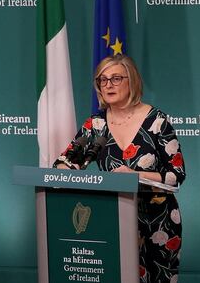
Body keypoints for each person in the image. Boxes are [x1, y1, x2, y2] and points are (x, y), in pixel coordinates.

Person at [54, 55, 186, 283]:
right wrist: (62, 169)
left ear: (131, 81)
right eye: (102, 80)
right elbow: (66, 162)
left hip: (158, 222)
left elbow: (176, 175)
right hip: (114, 219)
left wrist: (135, 175)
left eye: (115, 78)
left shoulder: (157, 121)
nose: (108, 85)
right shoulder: (95, 125)